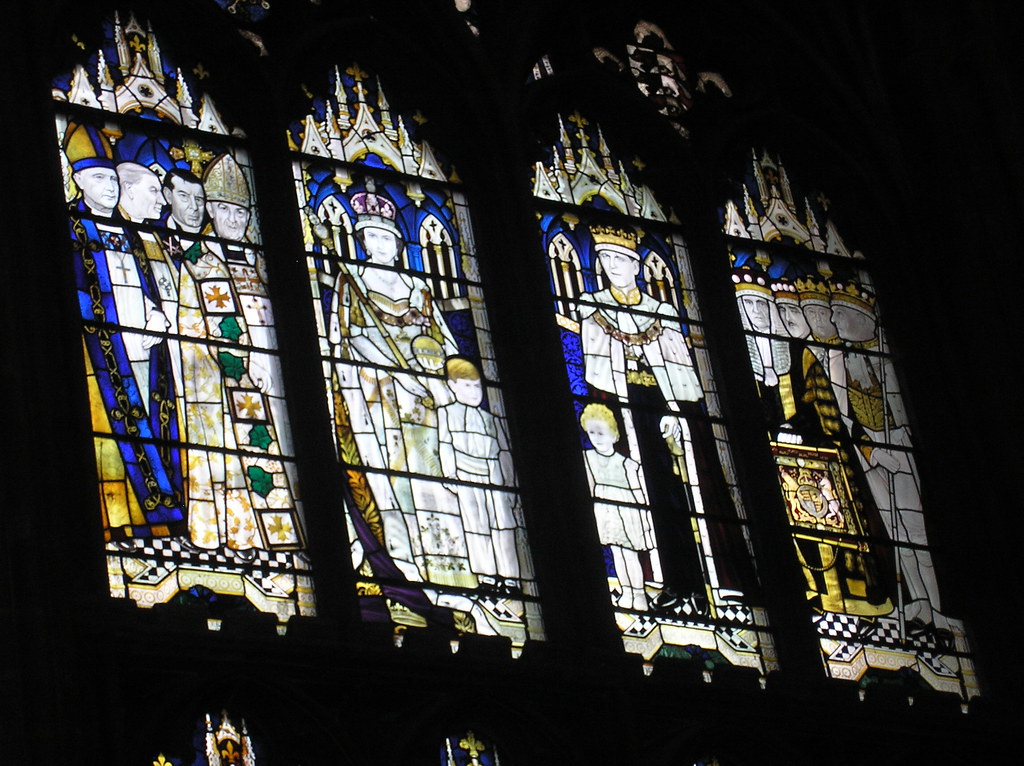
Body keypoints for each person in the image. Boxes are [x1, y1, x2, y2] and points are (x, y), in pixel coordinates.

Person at [577, 225, 750, 610]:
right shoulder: (593, 308)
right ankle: (663, 581)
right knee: (647, 498)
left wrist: (676, 412)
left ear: (636, 265)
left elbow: (683, 374)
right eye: (605, 259)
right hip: (626, 419)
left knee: (686, 495)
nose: (612, 266)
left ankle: (712, 584)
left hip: (668, 416)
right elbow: (595, 373)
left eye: (620, 259)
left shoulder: (664, 313)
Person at [328, 180, 458, 581]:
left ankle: (444, 558)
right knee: (389, 475)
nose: (381, 244)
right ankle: (403, 555)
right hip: (376, 393)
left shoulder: (418, 288)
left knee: (433, 473)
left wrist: (447, 378)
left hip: (424, 398)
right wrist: (398, 371)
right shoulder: (352, 283)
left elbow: (444, 340)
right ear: (363, 241)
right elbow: (345, 337)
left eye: (388, 237)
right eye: (373, 237)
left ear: (398, 242)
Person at [63, 121, 184, 538]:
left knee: (153, 424)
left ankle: (162, 523)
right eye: (99, 177)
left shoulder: (131, 235)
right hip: (101, 349)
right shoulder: (73, 229)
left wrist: (155, 315)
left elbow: (146, 283)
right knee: (112, 435)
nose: (111, 187)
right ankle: (121, 524)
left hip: (144, 344)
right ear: (77, 181)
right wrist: (107, 326)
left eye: (114, 178)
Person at [176, 152, 299, 555]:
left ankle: (287, 541)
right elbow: (192, 326)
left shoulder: (266, 263)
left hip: (279, 377)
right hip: (226, 383)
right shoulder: (197, 262)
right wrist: (244, 361)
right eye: (225, 210)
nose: (234, 219)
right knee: (234, 454)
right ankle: (238, 538)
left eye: (241, 212)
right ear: (210, 209)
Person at [828, 280, 946, 637]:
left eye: (840, 312)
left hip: (900, 443)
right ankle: (920, 604)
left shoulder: (882, 350)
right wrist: (872, 450)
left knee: (917, 531)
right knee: (896, 533)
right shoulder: (838, 356)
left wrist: (896, 447)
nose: (834, 319)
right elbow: (843, 415)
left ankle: (940, 609)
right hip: (871, 449)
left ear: (863, 317)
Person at [437, 357, 521, 590]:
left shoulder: (491, 420)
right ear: (452, 386)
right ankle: (486, 577)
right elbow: (444, 443)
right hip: (466, 473)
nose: (475, 393)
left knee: (503, 525)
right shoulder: (446, 413)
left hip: (493, 474)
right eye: (467, 386)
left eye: (477, 386)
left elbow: (504, 452)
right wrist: (450, 474)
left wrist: (510, 483)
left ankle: (511, 577)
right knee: (476, 525)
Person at [579, 403, 653, 611]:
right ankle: (626, 591)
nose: (596, 437)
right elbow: (590, 487)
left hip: (627, 513)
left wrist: (644, 521)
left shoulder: (627, 464)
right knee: (617, 554)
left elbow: (639, 494)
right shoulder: (587, 459)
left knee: (630, 554)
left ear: (614, 435)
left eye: (601, 432)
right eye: (592, 432)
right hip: (604, 511)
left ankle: (639, 595)